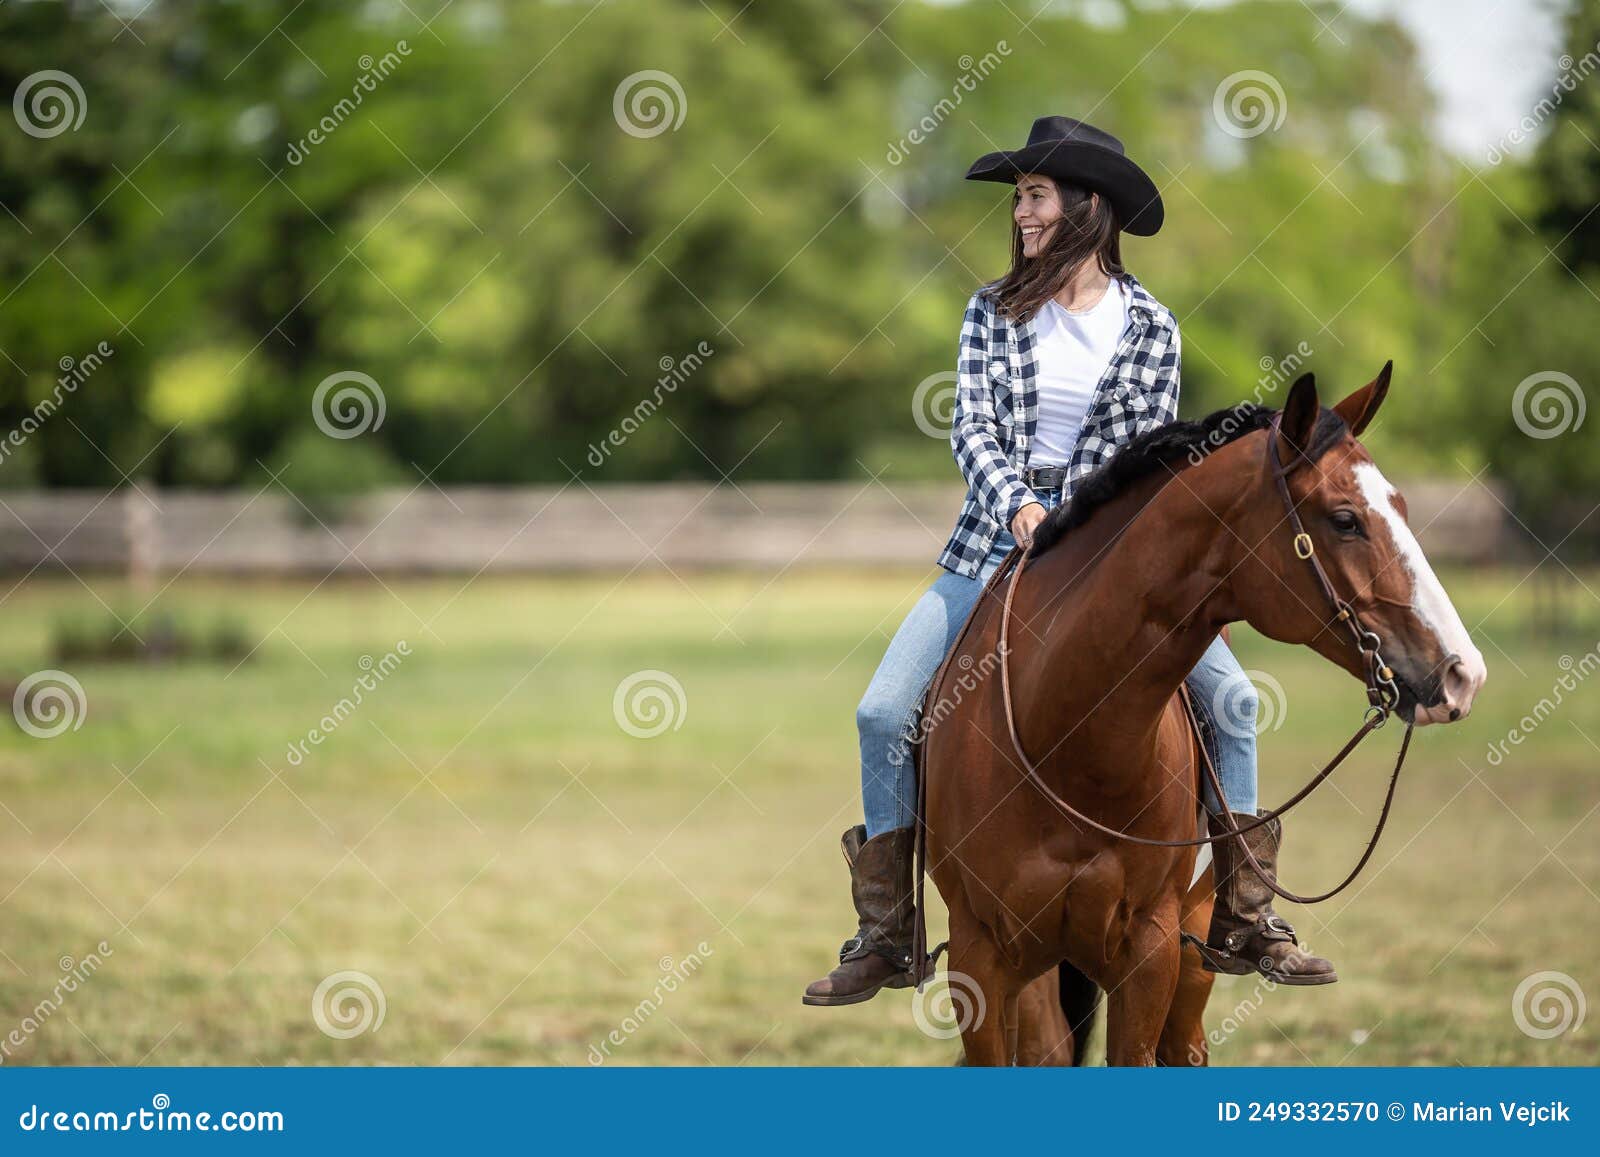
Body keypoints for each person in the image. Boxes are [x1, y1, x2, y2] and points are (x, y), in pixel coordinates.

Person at [802, 117, 1336, 1008]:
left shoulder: (1151, 325)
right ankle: (889, 930)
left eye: (1035, 195)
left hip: (1116, 558)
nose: (1021, 213)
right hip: (991, 541)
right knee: (882, 708)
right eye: (1019, 198)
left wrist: (1078, 525)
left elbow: (1145, 454)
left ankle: (1245, 911)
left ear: (1089, 208)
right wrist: (1018, 504)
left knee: (1235, 699)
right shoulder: (990, 310)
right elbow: (968, 424)